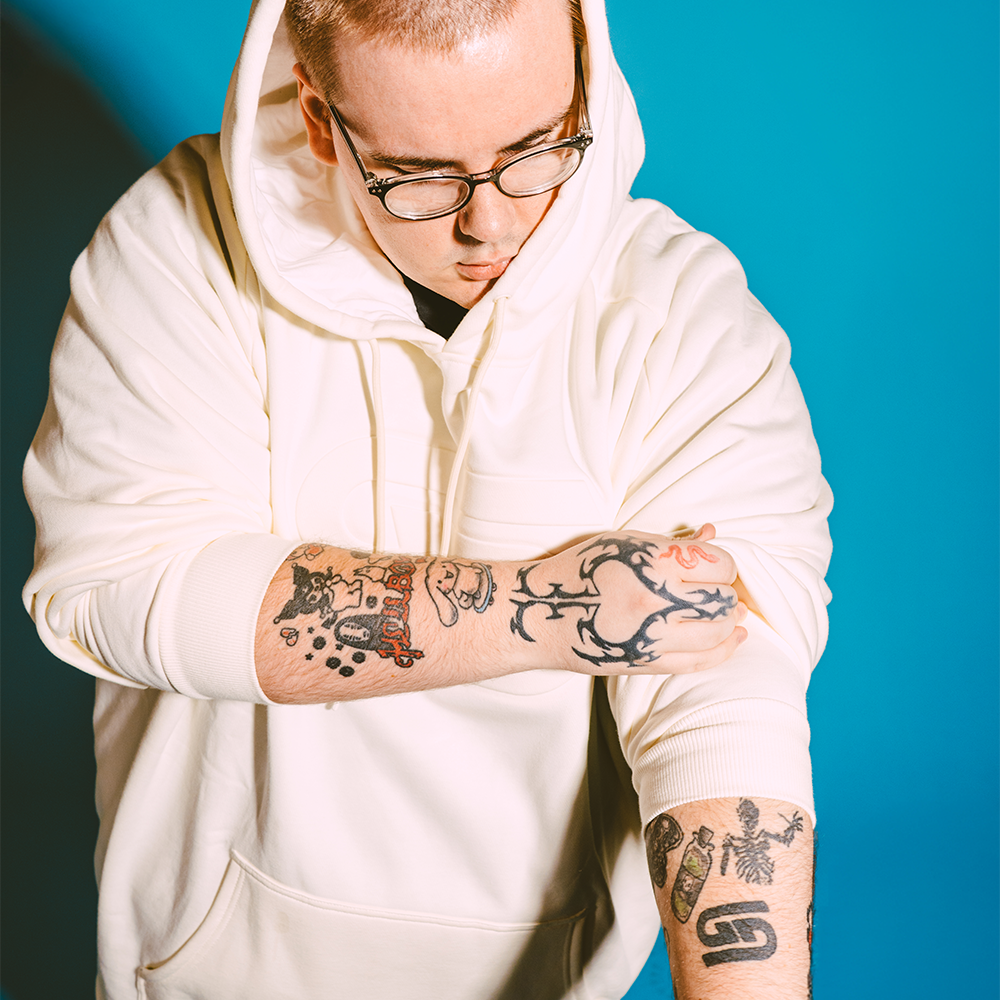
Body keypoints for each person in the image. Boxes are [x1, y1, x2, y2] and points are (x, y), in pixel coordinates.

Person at [22, 0, 832, 997]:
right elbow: (126, 586)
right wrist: (551, 607)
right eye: (419, 177)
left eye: (537, 150)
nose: (490, 223)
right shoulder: (176, 247)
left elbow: (723, 694)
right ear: (320, 119)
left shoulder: (681, 315)